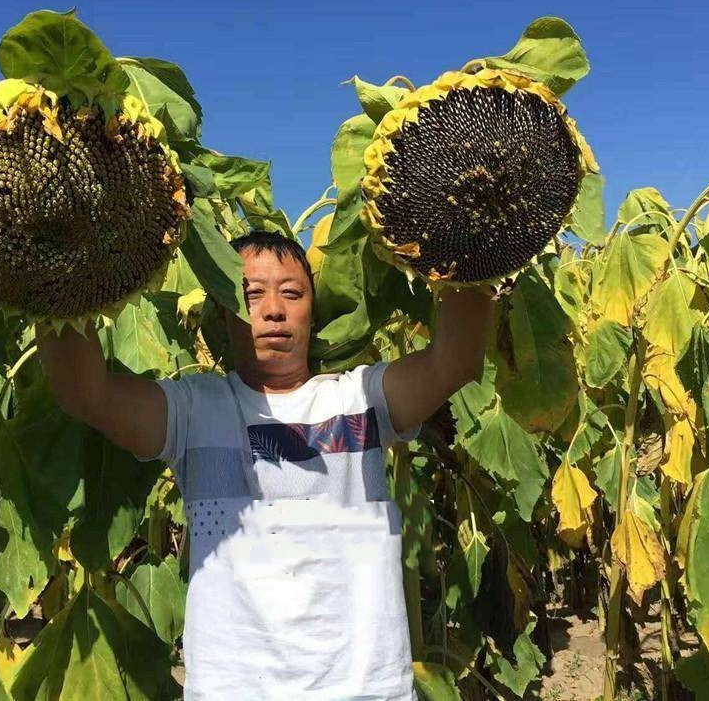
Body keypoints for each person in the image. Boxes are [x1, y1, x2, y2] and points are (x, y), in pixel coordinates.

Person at [36, 230, 494, 701]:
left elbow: (454, 362)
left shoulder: (360, 401)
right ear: (223, 312)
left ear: (312, 313)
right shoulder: (194, 413)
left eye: (292, 293)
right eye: (252, 294)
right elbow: (85, 393)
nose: (274, 309)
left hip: (365, 689)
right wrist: (60, 252)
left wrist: (471, 225)